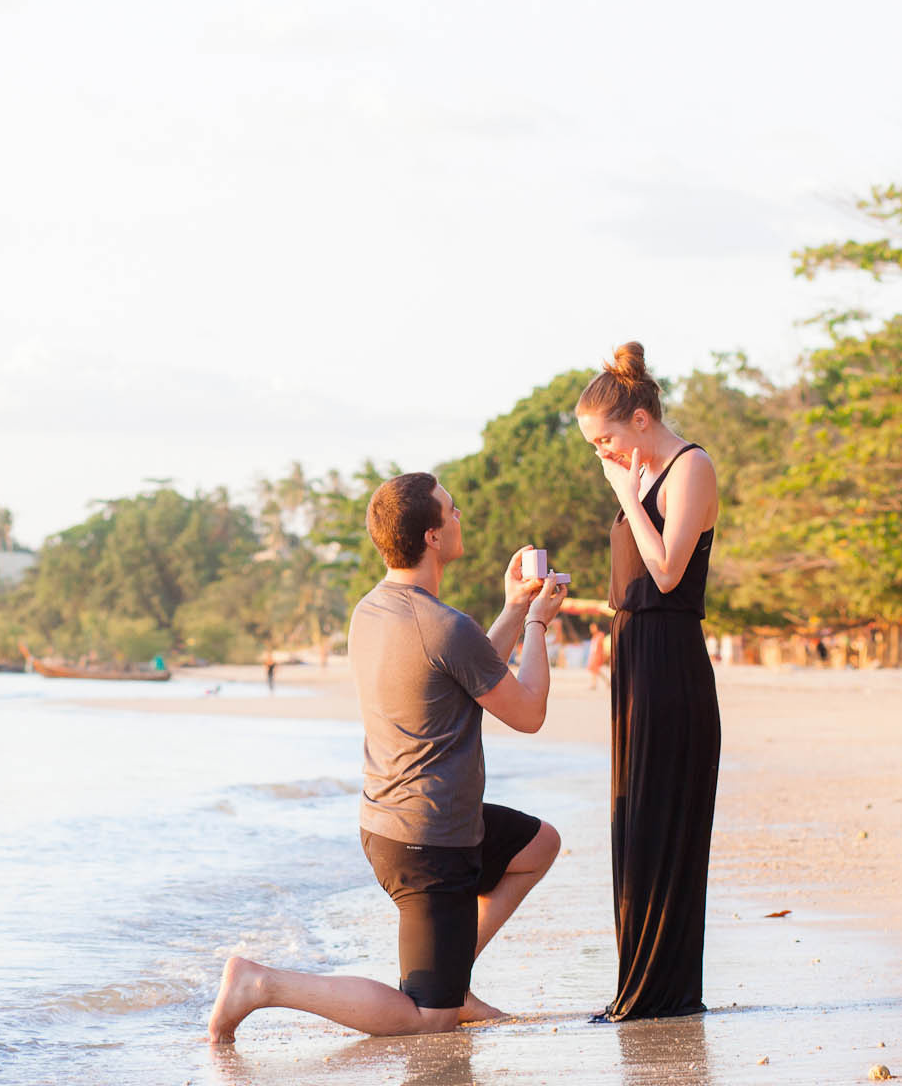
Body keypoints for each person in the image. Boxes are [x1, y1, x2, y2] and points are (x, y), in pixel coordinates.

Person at [209, 473, 568, 1043]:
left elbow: (471, 672)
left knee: (538, 843)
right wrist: (536, 623)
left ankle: (453, 973)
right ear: (431, 536)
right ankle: (262, 985)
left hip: (403, 823)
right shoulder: (443, 625)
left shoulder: (374, 611)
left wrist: (510, 607)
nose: (459, 518)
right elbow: (526, 712)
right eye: (451, 511)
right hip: (429, 841)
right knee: (428, 1019)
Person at [576, 341, 721, 1021]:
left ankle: (662, 995)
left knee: (663, 826)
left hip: (671, 664)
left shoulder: (692, 467)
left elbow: (666, 573)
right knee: (635, 825)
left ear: (639, 420)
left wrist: (625, 499)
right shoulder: (640, 480)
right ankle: (637, 987)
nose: (600, 452)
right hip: (634, 662)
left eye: (603, 438)